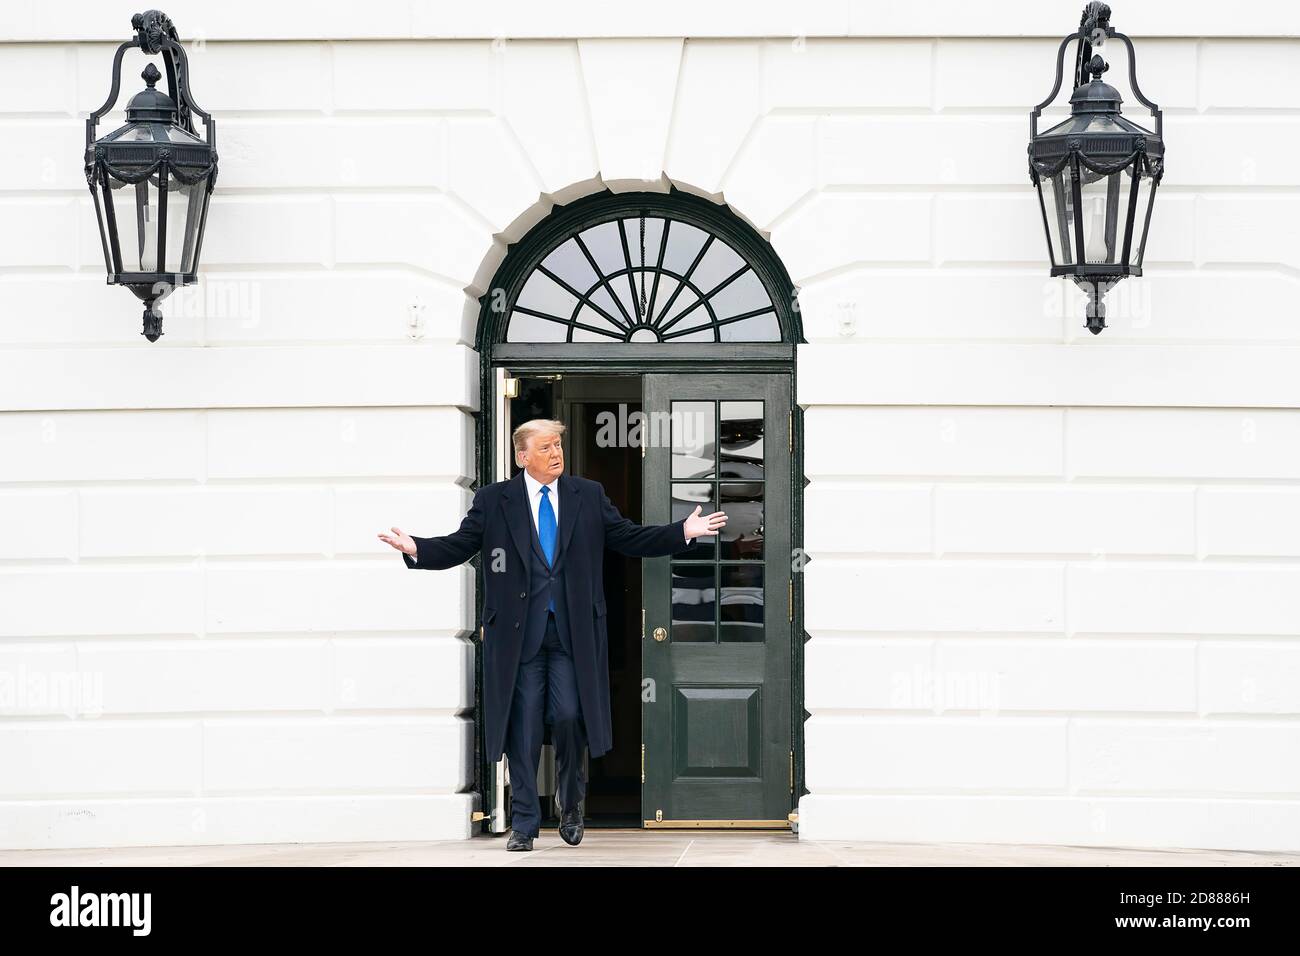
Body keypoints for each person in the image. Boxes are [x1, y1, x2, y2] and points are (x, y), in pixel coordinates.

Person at [378, 418, 727, 850]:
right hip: (517, 638)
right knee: (522, 730)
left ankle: (572, 805)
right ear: (522, 456)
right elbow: (460, 544)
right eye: (544, 448)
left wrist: (682, 533)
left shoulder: (587, 494)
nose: (556, 454)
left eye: (558, 445)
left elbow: (627, 537)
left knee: (567, 719)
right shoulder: (494, 500)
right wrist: (418, 548)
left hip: (571, 635)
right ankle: (524, 822)